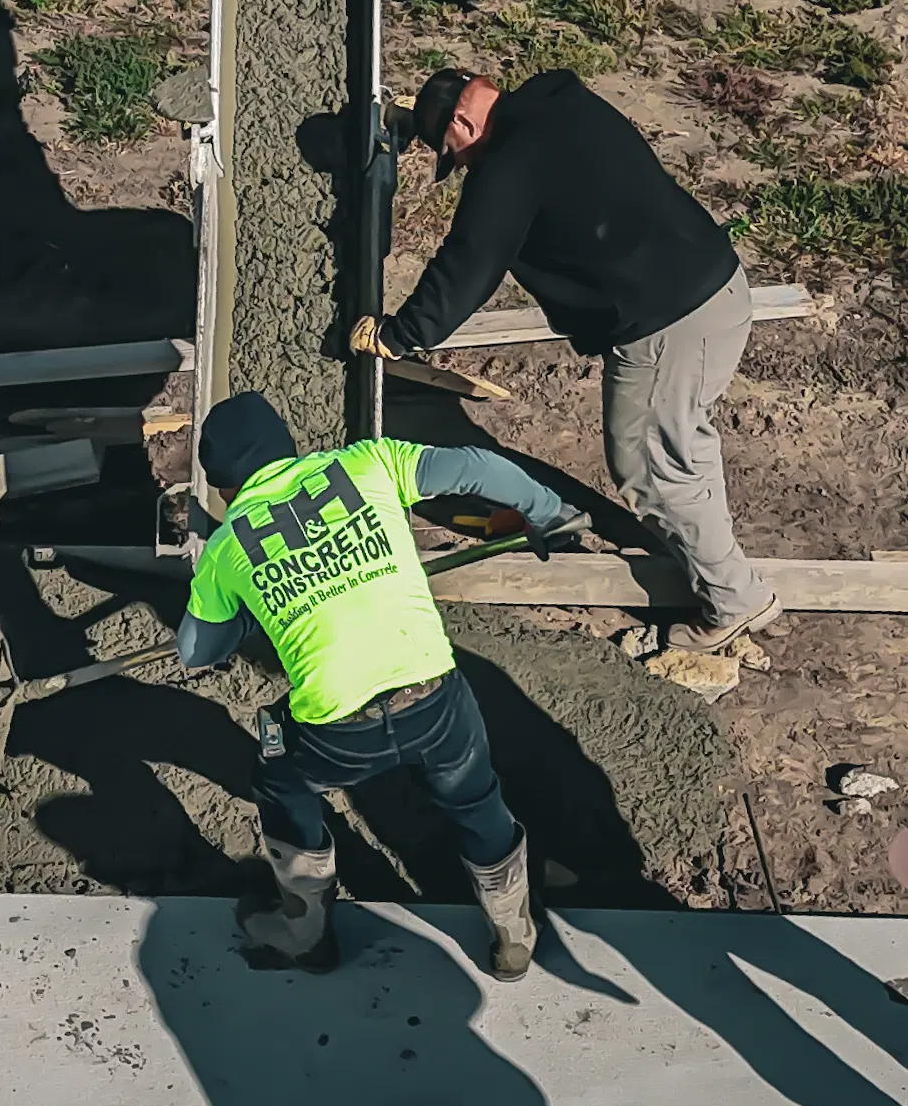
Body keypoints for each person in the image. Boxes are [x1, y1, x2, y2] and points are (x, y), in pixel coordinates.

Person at [350, 67, 777, 653]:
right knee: (679, 449)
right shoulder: (559, 102)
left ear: (467, 123)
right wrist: (408, 123)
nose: (466, 167)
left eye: (458, 155)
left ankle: (735, 599)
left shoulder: (509, 167)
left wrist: (401, 335)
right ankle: (707, 560)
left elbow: (469, 264)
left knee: (649, 467)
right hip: (716, 288)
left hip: (668, 322)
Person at [179, 391, 583, 981]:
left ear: (224, 487)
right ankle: (513, 937)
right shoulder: (368, 462)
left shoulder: (225, 549)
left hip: (338, 735)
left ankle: (304, 932)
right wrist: (548, 511)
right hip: (434, 701)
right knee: (475, 800)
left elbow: (196, 651)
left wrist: (245, 610)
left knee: (279, 779)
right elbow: (476, 467)